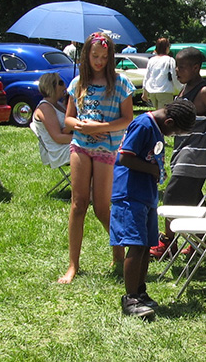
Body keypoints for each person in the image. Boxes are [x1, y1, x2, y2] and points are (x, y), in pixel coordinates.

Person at [59, 32, 135, 284]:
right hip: (80, 146)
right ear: (86, 56)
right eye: (95, 56)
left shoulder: (120, 83)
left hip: (106, 150)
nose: (99, 61)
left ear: (110, 57)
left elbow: (127, 119)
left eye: (104, 57)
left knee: (102, 208)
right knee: (78, 204)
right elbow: (68, 119)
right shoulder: (78, 82)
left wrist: (99, 128)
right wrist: (81, 125)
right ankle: (73, 265)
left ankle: (118, 253)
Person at [111, 99, 196, 317]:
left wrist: (156, 171)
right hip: (131, 194)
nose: (172, 135)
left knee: (146, 245)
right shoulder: (143, 125)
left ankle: (140, 292)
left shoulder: (157, 127)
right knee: (136, 245)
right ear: (168, 121)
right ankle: (130, 299)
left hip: (145, 194)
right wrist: (152, 170)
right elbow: (125, 157)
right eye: (174, 131)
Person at [149, 47, 206, 258]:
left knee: (171, 196)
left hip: (195, 155)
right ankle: (204, 243)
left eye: (182, 67)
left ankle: (168, 242)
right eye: (176, 66)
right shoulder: (185, 90)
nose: (177, 70)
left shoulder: (204, 92)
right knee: (194, 200)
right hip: (183, 152)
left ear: (196, 68)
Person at [32, 72, 72, 168]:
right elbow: (58, 137)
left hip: (68, 144)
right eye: (61, 83)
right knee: (95, 149)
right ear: (51, 86)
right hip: (58, 151)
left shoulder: (60, 105)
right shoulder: (45, 108)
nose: (64, 86)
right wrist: (85, 139)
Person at [142, 38, 182, 109]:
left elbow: (147, 76)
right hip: (164, 91)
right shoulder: (170, 60)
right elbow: (174, 75)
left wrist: (144, 92)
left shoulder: (152, 60)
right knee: (165, 114)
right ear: (167, 48)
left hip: (152, 91)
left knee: (157, 113)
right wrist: (181, 89)